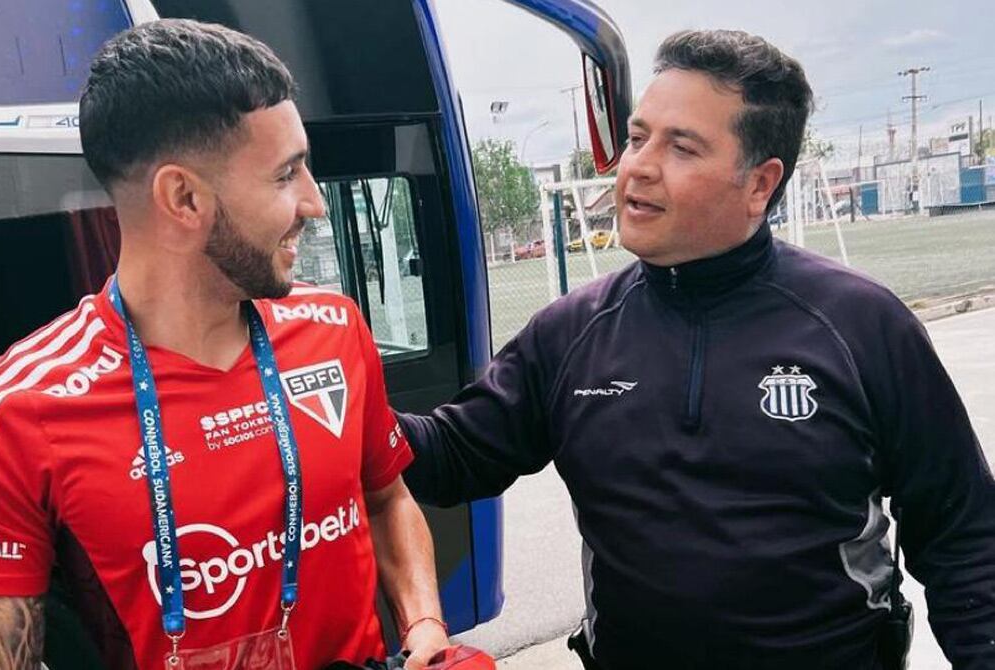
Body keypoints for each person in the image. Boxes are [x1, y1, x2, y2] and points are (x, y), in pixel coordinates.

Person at [399, 30, 995, 670]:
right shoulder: (572, 332)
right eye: (636, 138)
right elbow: (450, 456)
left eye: (681, 147)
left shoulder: (862, 326)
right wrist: (323, 396)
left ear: (761, 184)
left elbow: (964, 537)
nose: (638, 166)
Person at [0, 19, 449, 670]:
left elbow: (387, 498)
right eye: (286, 174)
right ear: (182, 197)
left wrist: (425, 623)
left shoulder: (335, 329)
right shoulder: (11, 411)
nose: (315, 203)